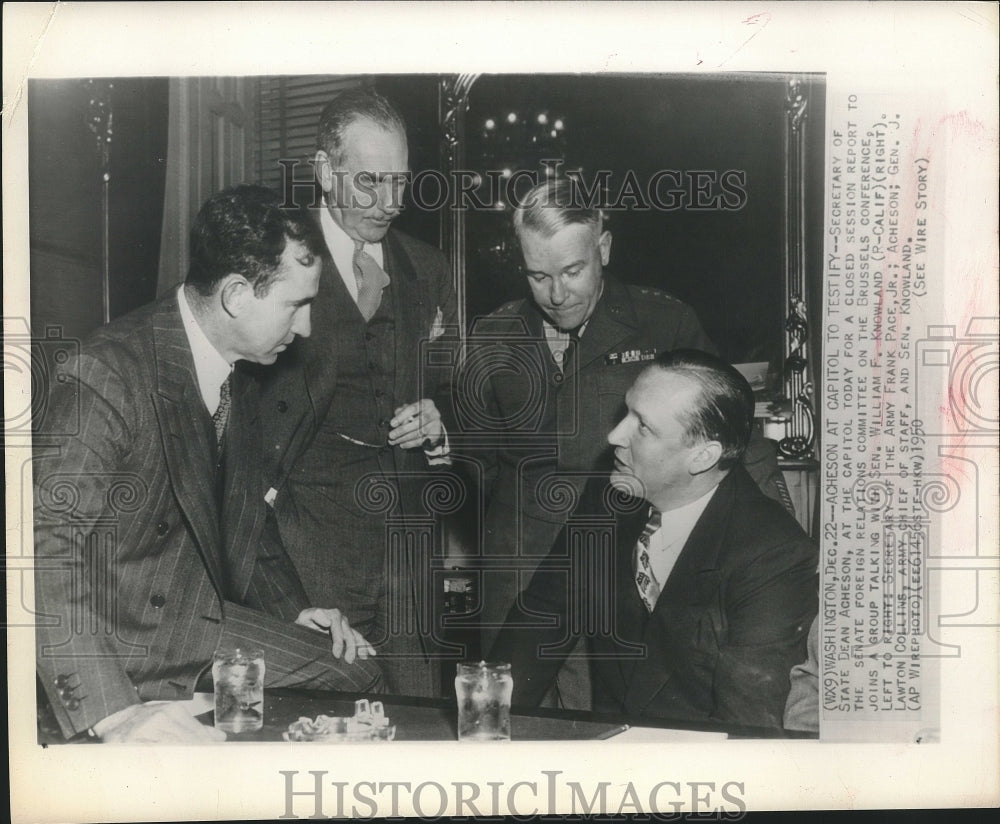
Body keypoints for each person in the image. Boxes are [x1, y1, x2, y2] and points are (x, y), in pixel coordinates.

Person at [33, 185, 382, 744]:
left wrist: (293, 612)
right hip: (113, 643)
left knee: (353, 670)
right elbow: (40, 552)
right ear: (237, 295)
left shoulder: (237, 374)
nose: (307, 329)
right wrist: (115, 714)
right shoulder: (106, 374)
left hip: (190, 628)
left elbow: (249, 521)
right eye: (297, 305)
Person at [457, 176, 792, 708]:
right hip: (521, 560)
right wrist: (441, 440)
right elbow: (473, 460)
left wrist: (779, 535)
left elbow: (728, 427)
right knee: (511, 706)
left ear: (603, 249)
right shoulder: (493, 336)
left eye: (572, 271)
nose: (557, 294)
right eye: (538, 276)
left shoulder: (664, 320)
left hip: (621, 549)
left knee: (612, 704)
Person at [490, 350, 817, 731]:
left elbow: (746, 728)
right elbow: (543, 618)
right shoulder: (614, 495)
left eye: (643, 427)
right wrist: (487, 725)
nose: (614, 436)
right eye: (626, 412)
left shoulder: (774, 555)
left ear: (702, 457)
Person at [258, 88, 458, 697]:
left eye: (400, 182)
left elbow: (455, 385)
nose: (390, 203)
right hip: (311, 556)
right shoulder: (274, 257)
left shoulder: (429, 268)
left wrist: (441, 421)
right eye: (370, 180)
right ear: (324, 171)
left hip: (411, 565)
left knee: (423, 730)